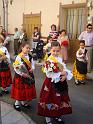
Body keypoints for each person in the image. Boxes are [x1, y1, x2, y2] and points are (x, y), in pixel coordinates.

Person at [38, 41, 73, 124]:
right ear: (51, 50)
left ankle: (57, 115)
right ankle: (48, 119)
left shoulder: (60, 59)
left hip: (60, 82)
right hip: (50, 84)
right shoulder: (49, 60)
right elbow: (49, 74)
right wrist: (61, 73)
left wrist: (66, 75)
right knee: (49, 100)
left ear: (60, 50)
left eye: (57, 51)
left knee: (59, 99)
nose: (55, 53)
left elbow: (64, 69)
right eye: (54, 51)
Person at [11, 42, 36, 111]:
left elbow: (33, 64)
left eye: (29, 48)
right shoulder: (19, 57)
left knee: (25, 91)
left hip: (28, 75)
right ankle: (16, 103)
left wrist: (32, 68)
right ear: (22, 48)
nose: (28, 49)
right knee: (20, 91)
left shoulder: (30, 56)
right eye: (27, 48)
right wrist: (22, 74)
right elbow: (16, 68)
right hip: (20, 76)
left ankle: (23, 102)